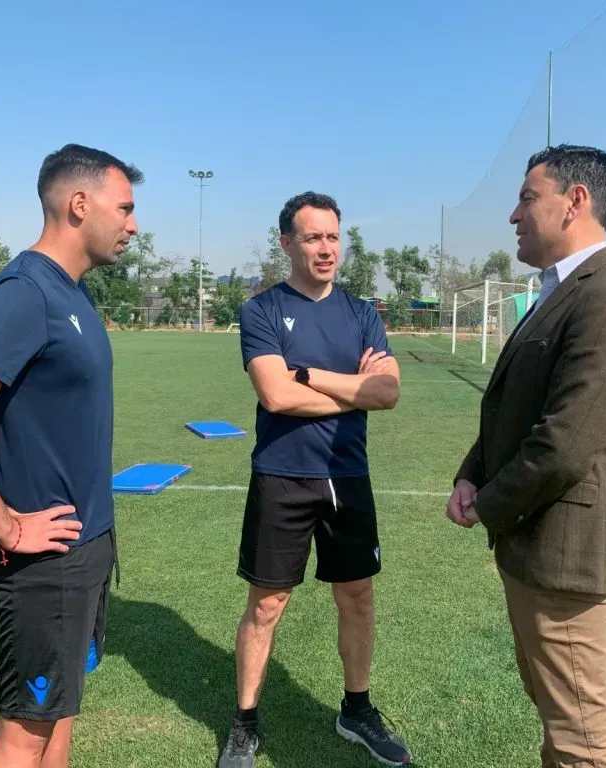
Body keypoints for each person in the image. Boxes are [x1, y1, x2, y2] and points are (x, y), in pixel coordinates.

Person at [446, 144, 606, 768]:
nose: (514, 215)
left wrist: (487, 503)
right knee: (558, 717)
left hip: (567, 556)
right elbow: (516, 409)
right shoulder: (559, 291)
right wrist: (471, 473)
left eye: (525, 198)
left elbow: (564, 443)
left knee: (582, 740)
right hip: (536, 546)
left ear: (575, 202)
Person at [0, 143, 142, 768]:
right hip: (46, 559)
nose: (133, 224)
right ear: (80, 204)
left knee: (60, 716)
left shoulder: (73, 291)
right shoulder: (27, 290)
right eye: (124, 208)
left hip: (87, 545)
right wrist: (6, 523)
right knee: (24, 736)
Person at [218, 192, 412, 767]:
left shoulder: (362, 313)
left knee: (356, 595)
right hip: (282, 474)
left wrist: (311, 377)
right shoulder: (262, 311)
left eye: (332, 237)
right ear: (286, 244)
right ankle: (245, 723)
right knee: (267, 603)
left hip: (347, 476)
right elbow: (275, 394)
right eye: (312, 238)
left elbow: (390, 392)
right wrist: (354, 394)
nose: (325, 249)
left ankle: (357, 710)